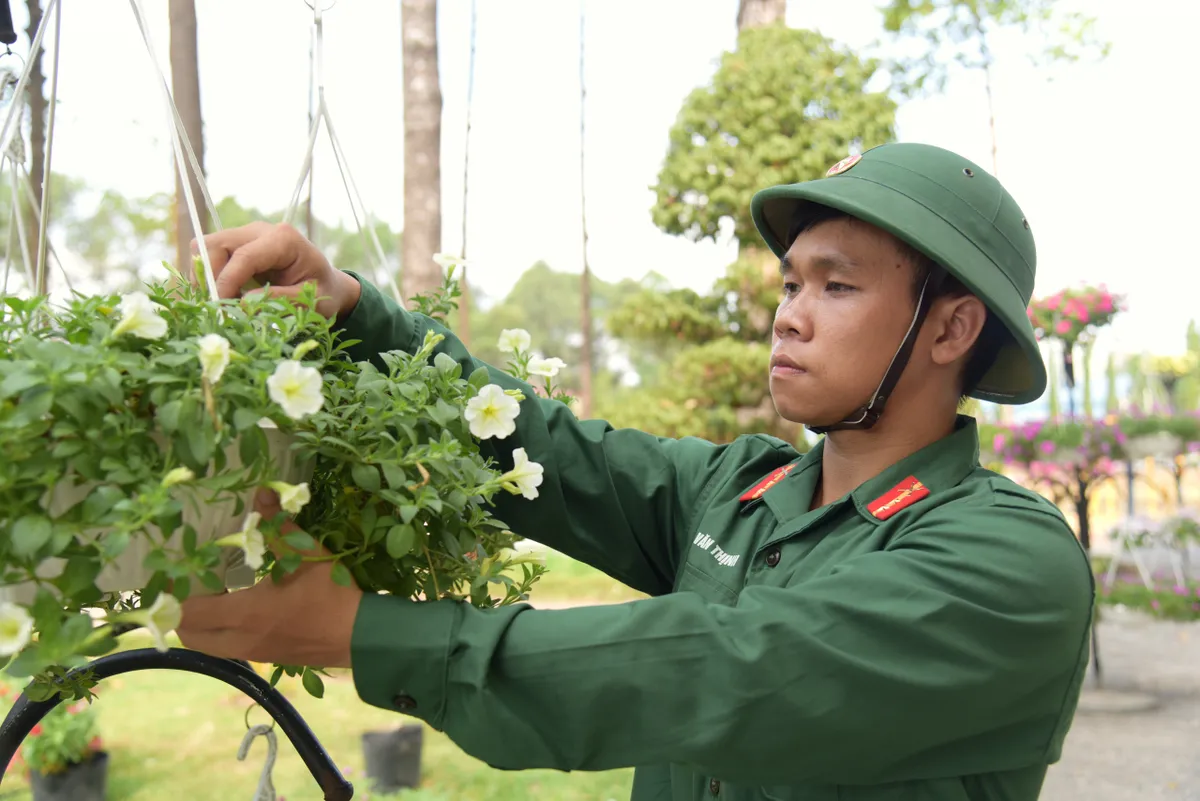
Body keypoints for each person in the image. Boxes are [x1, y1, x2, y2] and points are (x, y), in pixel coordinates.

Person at [178, 142, 1095, 801]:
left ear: (950, 329)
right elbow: (548, 450)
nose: (788, 315)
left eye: (837, 285)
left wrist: (371, 634)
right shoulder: (741, 493)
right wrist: (352, 315)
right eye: (789, 284)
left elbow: (732, 670)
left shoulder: (1008, 562)